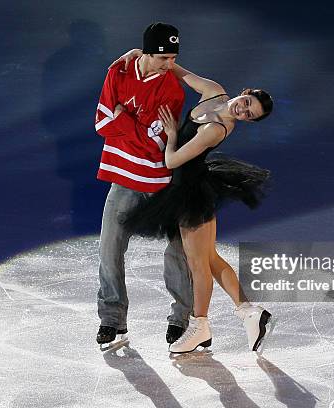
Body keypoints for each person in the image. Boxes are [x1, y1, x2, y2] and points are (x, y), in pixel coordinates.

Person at [115, 49, 274, 353]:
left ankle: (200, 326)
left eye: (249, 115)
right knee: (211, 259)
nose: (243, 111)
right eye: (247, 103)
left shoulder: (216, 129)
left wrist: (173, 135)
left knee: (199, 264)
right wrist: (144, 55)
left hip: (191, 191)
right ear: (244, 92)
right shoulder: (213, 91)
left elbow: (173, 161)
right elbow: (177, 70)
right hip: (190, 186)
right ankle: (249, 313)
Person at [93, 23, 194, 347]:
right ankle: (112, 320)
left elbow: (158, 143)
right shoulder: (118, 73)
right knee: (109, 248)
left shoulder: (173, 91)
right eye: (164, 58)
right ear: (147, 52)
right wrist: (133, 125)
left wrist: (123, 119)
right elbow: (101, 122)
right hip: (124, 177)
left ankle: (180, 319)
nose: (170, 66)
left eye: (174, 58)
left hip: (160, 181)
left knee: (178, 251)